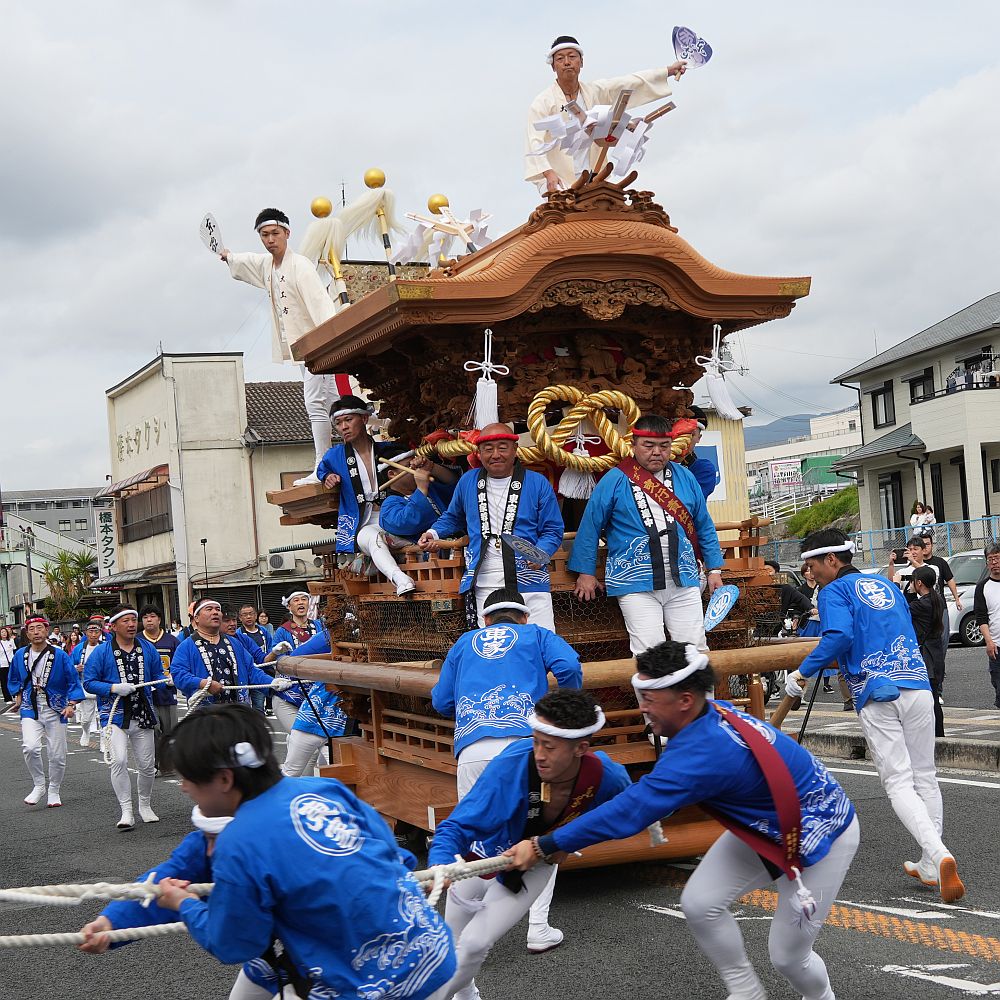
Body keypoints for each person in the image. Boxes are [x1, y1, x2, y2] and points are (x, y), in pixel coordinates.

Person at [506, 640, 860, 1000]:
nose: (642, 708)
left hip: (822, 832)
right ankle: (746, 992)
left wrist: (545, 844)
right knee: (700, 903)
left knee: (788, 957)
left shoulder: (703, 751)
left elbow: (632, 810)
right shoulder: (708, 716)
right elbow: (649, 799)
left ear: (685, 700)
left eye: (649, 698)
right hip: (765, 825)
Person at [154, 704, 456, 1000]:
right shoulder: (323, 789)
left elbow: (235, 943)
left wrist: (184, 904)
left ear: (224, 779)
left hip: (375, 985)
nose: (184, 787)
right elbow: (390, 850)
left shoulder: (238, 841)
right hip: (432, 951)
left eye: (188, 778)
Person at [787, 528, 964, 901]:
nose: (810, 573)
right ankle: (930, 862)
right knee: (925, 776)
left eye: (813, 564)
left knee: (898, 782)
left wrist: (802, 673)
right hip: (917, 684)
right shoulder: (885, 584)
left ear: (831, 559)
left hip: (876, 689)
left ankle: (939, 854)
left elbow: (838, 637)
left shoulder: (834, 591)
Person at [429, 690, 630, 999]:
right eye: (536, 742)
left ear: (580, 748)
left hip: (534, 865)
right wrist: (439, 864)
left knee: (475, 944)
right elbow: (458, 824)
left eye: (549, 746)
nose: (539, 754)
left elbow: (636, 808)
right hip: (481, 855)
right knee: (448, 946)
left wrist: (568, 841)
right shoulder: (512, 765)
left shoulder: (605, 776)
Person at [431, 587, 583, 954]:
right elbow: (569, 667)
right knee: (541, 835)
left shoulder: (464, 642)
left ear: (485, 620)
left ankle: (459, 936)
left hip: (473, 749)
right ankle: (538, 927)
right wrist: (564, 710)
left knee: (471, 836)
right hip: (526, 750)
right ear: (524, 617)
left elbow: (441, 700)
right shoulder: (537, 634)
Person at [78, 806, 320, 999]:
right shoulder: (207, 841)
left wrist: (186, 905)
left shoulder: (298, 839)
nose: (210, 851)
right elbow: (167, 879)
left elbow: (230, 942)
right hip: (272, 954)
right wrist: (111, 923)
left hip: (326, 956)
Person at [570, 414, 724, 653]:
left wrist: (714, 570)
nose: (657, 452)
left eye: (664, 446)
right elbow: (590, 525)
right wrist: (585, 572)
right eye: (649, 445)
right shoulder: (614, 479)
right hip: (634, 581)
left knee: (695, 648)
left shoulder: (686, 477)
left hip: (683, 578)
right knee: (649, 653)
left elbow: (704, 524)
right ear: (634, 445)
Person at [220, 208, 340, 474]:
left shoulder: (300, 266)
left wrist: (328, 342)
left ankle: (322, 462)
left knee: (314, 402)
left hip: (317, 345)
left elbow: (321, 304)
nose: (270, 239)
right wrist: (228, 256)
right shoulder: (268, 265)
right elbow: (247, 261)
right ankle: (356, 444)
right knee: (335, 403)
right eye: (264, 235)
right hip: (301, 348)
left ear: (287, 233)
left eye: (275, 233)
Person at [418, 423, 564, 631]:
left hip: (528, 577)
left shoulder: (537, 482)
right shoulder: (468, 481)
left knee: (540, 637)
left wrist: (540, 552)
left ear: (515, 450)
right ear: (479, 452)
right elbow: (453, 516)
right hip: (485, 578)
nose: (495, 454)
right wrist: (433, 532)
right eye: (488, 449)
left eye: (502, 447)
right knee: (493, 642)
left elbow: (553, 529)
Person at [525, 36, 686, 192]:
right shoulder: (543, 102)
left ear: (581, 62)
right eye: (560, 58)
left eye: (572, 56)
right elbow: (534, 141)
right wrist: (548, 173)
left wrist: (668, 71)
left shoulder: (594, 92)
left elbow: (629, 82)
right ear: (553, 66)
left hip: (593, 174)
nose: (567, 62)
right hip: (558, 178)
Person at [318, 394, 418, 596]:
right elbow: (322, 469)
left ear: (364, 418)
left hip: (394, 517)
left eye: (348, 419)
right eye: (338, 423)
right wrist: (327, 476)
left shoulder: (388, 450)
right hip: (363, 523)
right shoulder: (335, 456)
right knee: (370, 537)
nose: (343, 427)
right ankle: (400, 579)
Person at [83, 605, 166, 829]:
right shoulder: (101, 652)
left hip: (143, 713)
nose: (131, 625)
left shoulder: (147, 648)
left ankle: (145, 805)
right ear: (113, 626)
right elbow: (88, 682)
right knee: (118, 760)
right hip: (113, 715)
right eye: (125, 621)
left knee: (147, 766)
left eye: (133, 620)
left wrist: (165, 681)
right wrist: (112, 688)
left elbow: (157, 673)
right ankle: (126, 810)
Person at [7, 613, 84, 807]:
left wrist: (71, 704)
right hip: (30, 707)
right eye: (31, 629)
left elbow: (72, 681)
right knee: (30, 747)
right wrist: (17, 695)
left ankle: (54, 789)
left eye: (39, 628)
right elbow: (14, 678)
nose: (36, 632)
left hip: (56, 708)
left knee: (57, 754)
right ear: (27, 633)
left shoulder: (60, 655)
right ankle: (39, 784)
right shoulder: (20, 655)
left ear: (46, 630)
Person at [170, 598, 291, 714]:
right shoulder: (186, 646)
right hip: (204, 715)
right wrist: (202, 683)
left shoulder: (235, 643)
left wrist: (272, 682)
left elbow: (251, 670)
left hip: (238, 711)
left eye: (217, 609)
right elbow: (178, 674)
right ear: (196, 618)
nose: (215, 612)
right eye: (209, 609)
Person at [267, 630, 349, 778]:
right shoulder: (327, 638)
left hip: (336, 728)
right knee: (291, 772)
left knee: (336, 775)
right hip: (306, 717)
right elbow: (294, 658)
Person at [267, 589, 326, 734]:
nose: (301, 603)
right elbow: (276, 661)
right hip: (291, 691)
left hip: (318, 690)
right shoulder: (282, 631)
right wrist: (276, 652)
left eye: (304, 599)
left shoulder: (320, 626)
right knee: (300, 735)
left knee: (320, 737)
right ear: (289, 606)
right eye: (296, 600)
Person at [379, 453, 459, 542]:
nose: (416, 470)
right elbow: (406, 524)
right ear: (392, 474)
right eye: (409, 466)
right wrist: (421, 489)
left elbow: (455, 483)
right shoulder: (389, 504)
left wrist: (431, 467)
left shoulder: (429, 487)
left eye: (417, 466)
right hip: (430, 547)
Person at [140, 604, 180, 771]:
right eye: (145, 617)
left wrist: (175, 677)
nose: (149, 620)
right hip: (145, 694)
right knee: (152, 730)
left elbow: (180, 664)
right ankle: (154, 763)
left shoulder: (172, 640)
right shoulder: (137, 640)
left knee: (170, 730)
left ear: (159, 619)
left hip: (168, 692)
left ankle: (168, 763)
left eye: (152, 616)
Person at [909, 566, 946, 737]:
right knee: (933, 698)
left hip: (927, 657)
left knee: (928, 699)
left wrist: (904, 589)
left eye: (913, 582)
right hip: (935, 654)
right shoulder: (936, 598)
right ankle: (939, 734)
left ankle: (935, 735)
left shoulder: (922, 604)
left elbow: (903, 609)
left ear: (919, 583)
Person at [920, 531, 961, 679]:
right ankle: (928, 672)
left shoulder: (940, 562)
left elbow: (950, 580)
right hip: (923, 610)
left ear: (932, 545)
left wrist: (957, 599)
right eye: (922, 545)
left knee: (943, 640)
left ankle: (938, 669)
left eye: (928, 544)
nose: (925, 547)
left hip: (939, 607)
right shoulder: (915, 565)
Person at [71, 615, 106, 747]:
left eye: (96, 631)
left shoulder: (106, 647)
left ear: (100, 632)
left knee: (103, 716)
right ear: (86, 632)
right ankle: (85, 731)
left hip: (103, 687)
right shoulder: (79, 648)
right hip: (86, 686)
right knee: (86, 718)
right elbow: (68, 666)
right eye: (90, 631)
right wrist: (76, 668)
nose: (93, 634)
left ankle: (104, 742)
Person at [974, 542, 1000, 709]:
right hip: (996, 646)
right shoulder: (982, 587)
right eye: (990, 559)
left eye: (997, 558)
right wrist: (989, 641)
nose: (994, 563)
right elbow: (981, 617)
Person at [236, 603, 273, 714]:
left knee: (259, 705)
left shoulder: (264, 631)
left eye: (251, 614)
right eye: (245, 614)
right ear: (240, 617)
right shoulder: (238, 634)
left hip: (262, 671)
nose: (248, 617)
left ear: (256, 615)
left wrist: (273, 655)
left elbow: (269, 648)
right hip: (245, 674)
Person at [676, 406, 717, 499]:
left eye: (691, 434)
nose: (685, 439)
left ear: (699, 438)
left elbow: (691, 500)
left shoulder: (703, 468)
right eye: (681, 433)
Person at [889, 536, 939, 602]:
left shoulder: (933, 568)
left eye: (915, 549)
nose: (912, 552)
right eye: (910, 549)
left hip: (927, 604)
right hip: (910, 605)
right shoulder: (902, 571)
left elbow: (926, 574)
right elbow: (891, 584)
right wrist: (891, 565)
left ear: (923, 550)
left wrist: (912, 560)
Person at [0, 624, 16, 702]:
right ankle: (7, 698)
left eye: (5, 632)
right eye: (2, 632)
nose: (4, 633)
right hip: (2, 664)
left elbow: (14, 650)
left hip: (11, 663)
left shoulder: (11, 641)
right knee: (4, 681)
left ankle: (14, 694)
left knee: (13, 679)